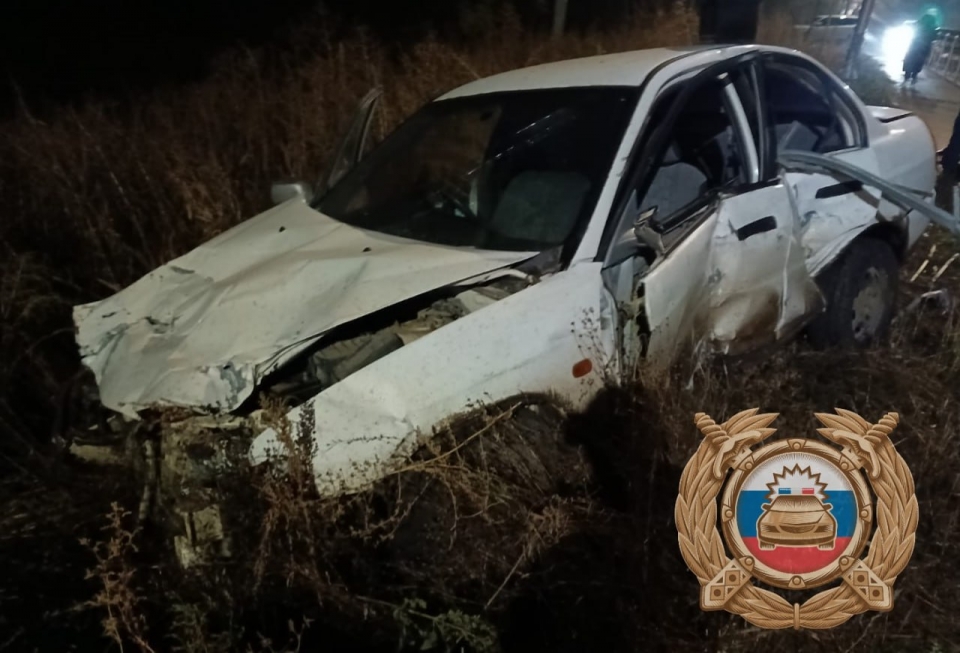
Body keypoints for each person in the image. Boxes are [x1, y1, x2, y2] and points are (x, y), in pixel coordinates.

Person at [903, 14, 938, 84]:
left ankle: (908, 74)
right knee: (919, 62)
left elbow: (912, 26)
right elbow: (934, 38)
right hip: (924, 47)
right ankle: (914, 75)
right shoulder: (932, 28)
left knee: (910, 59)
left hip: (915, 45)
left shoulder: (918, 24)